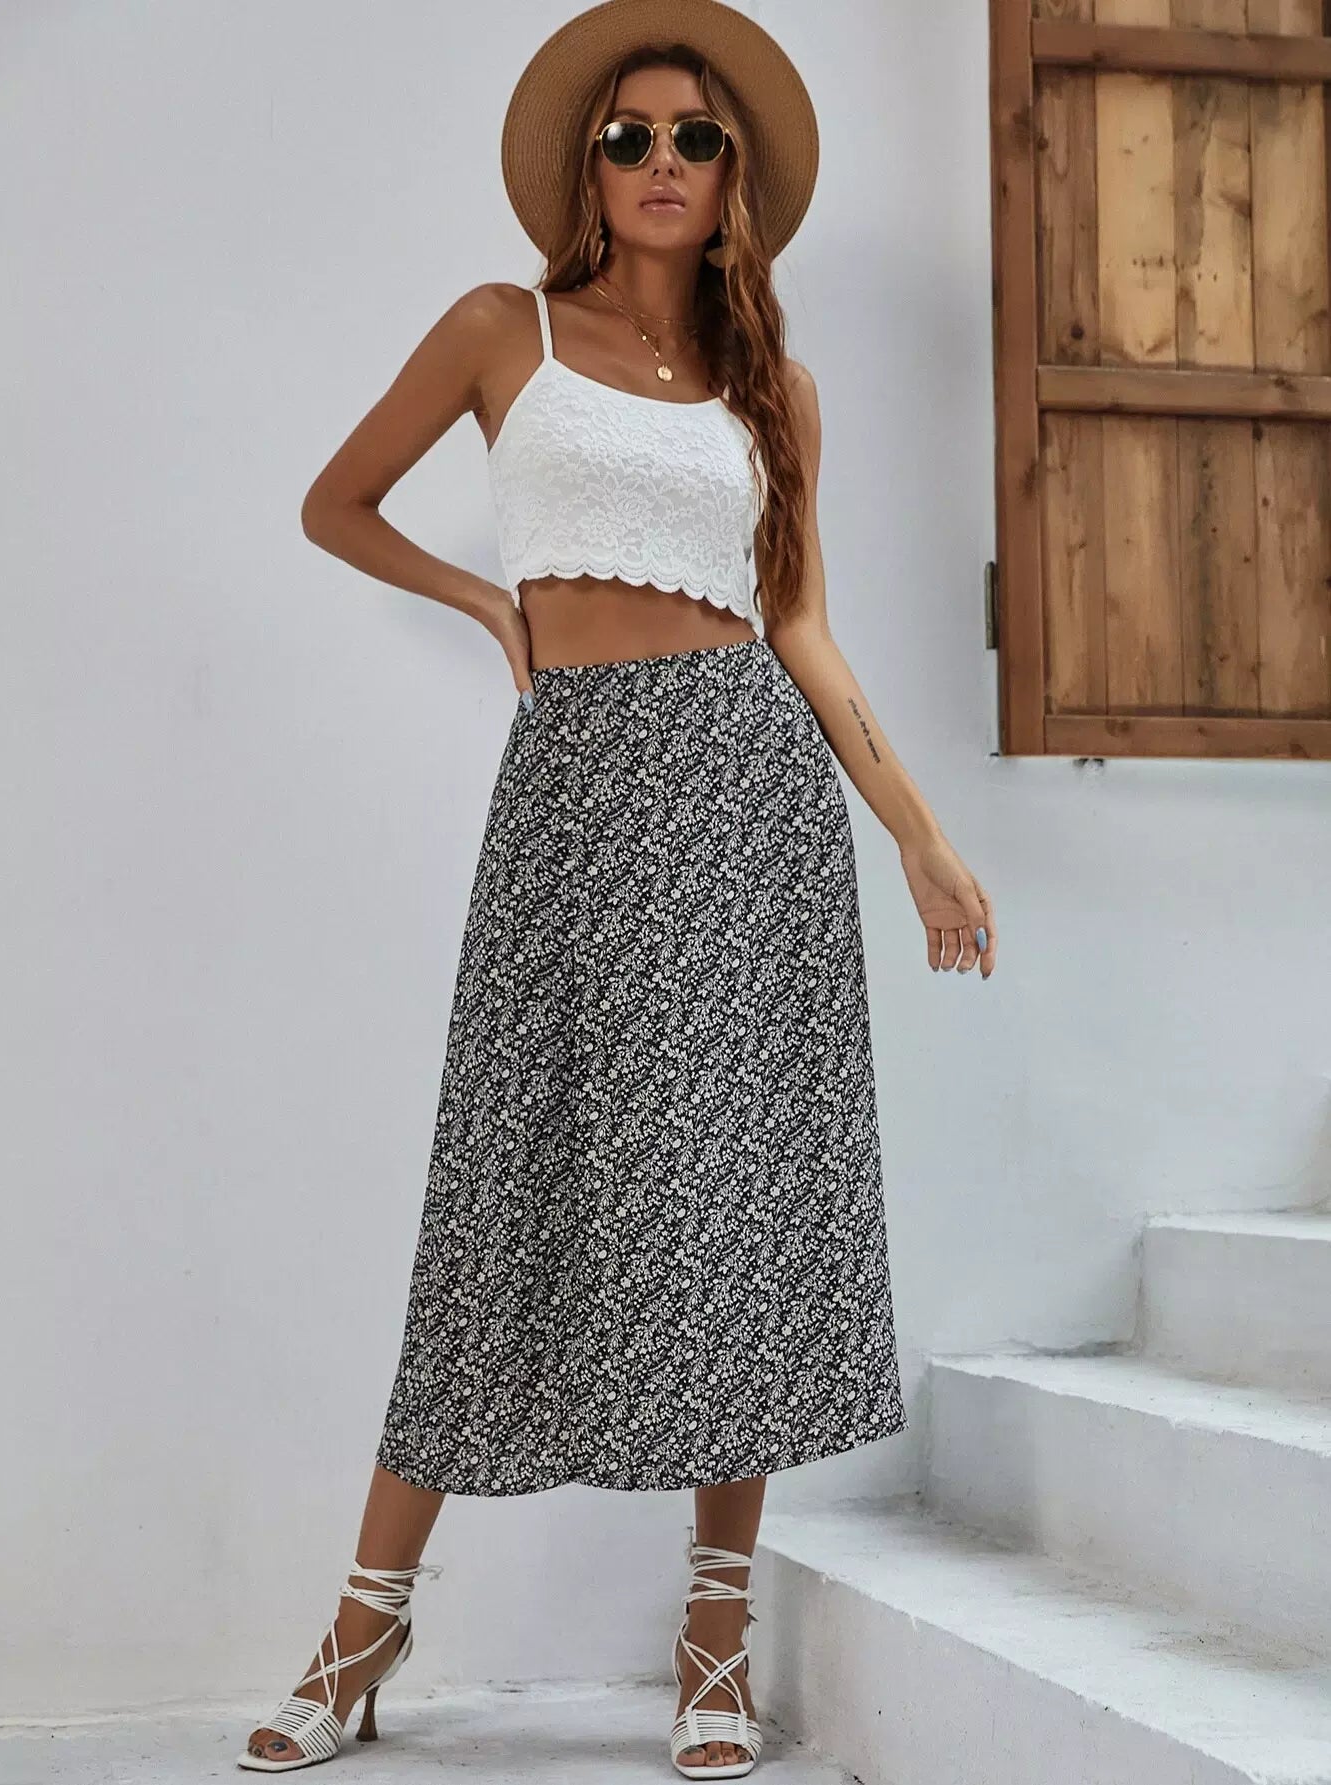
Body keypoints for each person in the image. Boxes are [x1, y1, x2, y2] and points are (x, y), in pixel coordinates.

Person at [239, 0, 998, 1776]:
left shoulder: (774, 392)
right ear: (588, 169)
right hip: (575, 796)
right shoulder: (498, 330)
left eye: (695, 139)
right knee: (498, 1186)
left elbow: (801, 627)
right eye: (631, 136)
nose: (663, 161)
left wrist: (916, 830)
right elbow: (337, 503)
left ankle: (715, 1630)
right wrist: (481, 600)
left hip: (748, 798)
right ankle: (365, 1618)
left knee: (734, 1207)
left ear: (736, 183)